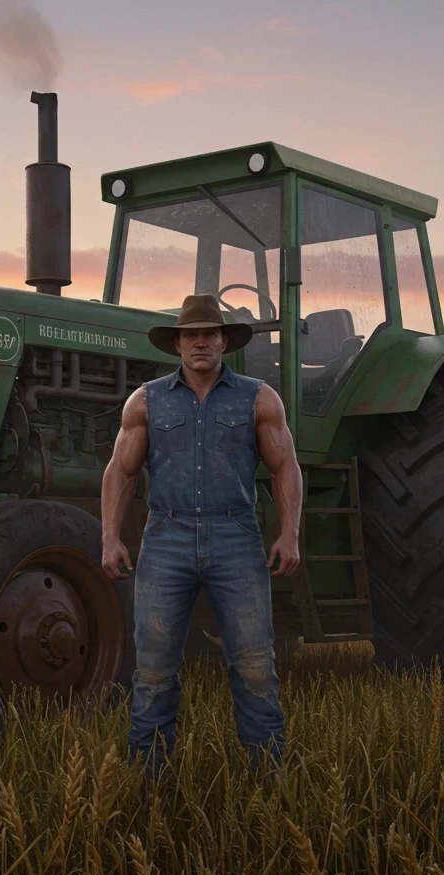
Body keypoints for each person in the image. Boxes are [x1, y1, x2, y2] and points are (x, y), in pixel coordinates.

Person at [100, 293, 302, 778]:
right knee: (152, 670)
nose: (201, 343)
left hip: (235, 534)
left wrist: (290, 532)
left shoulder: (258, 397)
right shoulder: (146, 400)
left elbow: (284, 466)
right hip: (166, 536)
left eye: (210, 334)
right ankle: (149, 780)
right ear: (177, 343)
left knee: (255, 665)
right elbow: (120, 471)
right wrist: (109, 537)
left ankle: (268, 778)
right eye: (191, 334)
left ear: (224, 342)